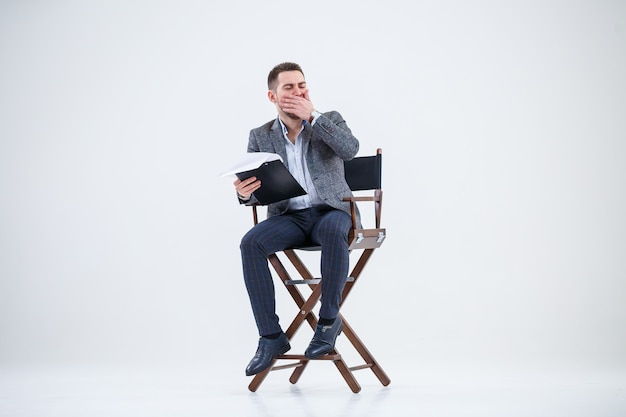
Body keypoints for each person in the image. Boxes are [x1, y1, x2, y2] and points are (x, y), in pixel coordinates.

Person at [234, 62, 360, 376]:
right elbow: (255, 190)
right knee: (251, 243)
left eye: (301, 85)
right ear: (272, 96)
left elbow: (351, 150)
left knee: (332, 231)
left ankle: (329, 322)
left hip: (332, 212)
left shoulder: (328, 120)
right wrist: (243, 193)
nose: (298, 91)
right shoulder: (260, 135)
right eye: (288, 87)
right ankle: (271, 337)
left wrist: (312, 117)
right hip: (290, 217)